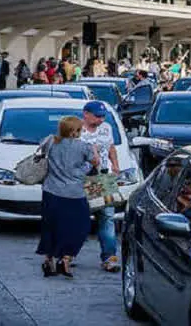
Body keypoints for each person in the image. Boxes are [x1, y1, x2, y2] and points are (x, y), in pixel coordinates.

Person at [36, 116, 99, 278]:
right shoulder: (83, 146)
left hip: (51, 191)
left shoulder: (50, 141)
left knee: (51, 226)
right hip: (74, 193)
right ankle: (65, 258)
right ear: (74, 132)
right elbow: (95, 162)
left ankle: (48, 259)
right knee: (80, 226)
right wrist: (84, 167)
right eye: (80, 129)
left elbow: (40, 151)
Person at [80, 101, 121, 272]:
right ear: (86, 114)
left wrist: (115, 165)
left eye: (103, 116)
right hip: (82, 178)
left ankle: (109, 257)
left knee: (107, 216)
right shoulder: (76, 130)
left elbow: (111, 147)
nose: (100, 119)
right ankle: (67, 253)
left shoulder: (106, 128)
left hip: (102, 177)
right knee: (78, 218)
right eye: (97, 116)